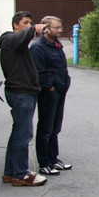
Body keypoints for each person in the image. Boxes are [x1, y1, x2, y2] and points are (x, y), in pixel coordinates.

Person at [0, 11, 48, 186]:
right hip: (21, 94)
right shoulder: (9, 39)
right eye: (25, 23)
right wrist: (33, 29)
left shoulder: (16, 43)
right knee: (23, 134)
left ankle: (10, 172)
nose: (28, 25)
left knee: (18, 133)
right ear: (15, 25)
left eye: (30, 22)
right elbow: (21, 38)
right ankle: (20, 174)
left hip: (24, 93)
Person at [31, 16, 72, 176]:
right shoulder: (38, 47)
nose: (60, 30)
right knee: (46, 128)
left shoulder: (56, 44)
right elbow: (39, 71)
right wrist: (49, 87)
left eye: (60, 27)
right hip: (49, 93)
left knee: (55, 127)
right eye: (57, 28)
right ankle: (44, 162)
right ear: (46, 28)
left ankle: (53, 158)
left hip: (60, 90)